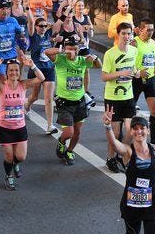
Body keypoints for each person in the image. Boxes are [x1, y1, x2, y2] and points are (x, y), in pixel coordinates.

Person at [102, 111, 155, 234]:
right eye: (135, 129)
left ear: (148, 130)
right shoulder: (128, 151)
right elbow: (115, 145)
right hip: (132, 204)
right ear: (131, 131)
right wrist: (108, 126)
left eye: (142, 128)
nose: (139, 131)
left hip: (154, 202)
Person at [0, 57, 45, 190]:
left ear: (19, 72)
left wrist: (32, 65)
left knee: (20, 157)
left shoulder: (23, 85)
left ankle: (16, 164)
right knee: (9, 156)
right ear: (7, 72)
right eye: (11, 70)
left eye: (16, 70)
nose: (13, 73)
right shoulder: (1, 85)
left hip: (20, 127)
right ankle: (9, 175)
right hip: (4, 128)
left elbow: (41, 78)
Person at [47, 34, 101, 165]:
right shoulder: (60, 60)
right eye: (70, 49)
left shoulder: (82, 61)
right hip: (65, 103)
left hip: (80, 102)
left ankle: (70, 151)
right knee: (69, 132)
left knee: (77, 132)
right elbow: (47, 52)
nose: (73, 52)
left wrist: (95, 57)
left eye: (76, 49)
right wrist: (63, 51)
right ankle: (61, 141)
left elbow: (99, 65)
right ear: (66, 48)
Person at [102, 22, 139, 173]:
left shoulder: (134, 51)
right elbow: (104, 77)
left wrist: (136, 74)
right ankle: (111, 158)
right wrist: (120, 73)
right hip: (113, 98)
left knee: (132, 131)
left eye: (128, 33)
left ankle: (122, 153)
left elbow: (134, 69)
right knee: (115, 133)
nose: (126, 36)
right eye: (123, 33)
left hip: (128, 96)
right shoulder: (110, 53)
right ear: (118, 35)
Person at [24, 16, 58, 134]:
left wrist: (68, 6)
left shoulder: (49, 35)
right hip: (36, 70)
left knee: (48, 98)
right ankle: (27, 105)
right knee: (35, 96)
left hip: (49, 69)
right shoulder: (33, 37)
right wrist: (27, 8)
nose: (43, 28)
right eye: (41, 26)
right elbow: (31, 22)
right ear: (36, 27)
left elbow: (59, 22)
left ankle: (50, 125)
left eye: (45, 25)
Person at [133, 19, 155, 144]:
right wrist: (137, 73)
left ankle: (154, 140)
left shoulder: (153, 43)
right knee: (129, 110)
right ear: (140, 30)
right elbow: (128, 62)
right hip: (136, 80)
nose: (151, 32)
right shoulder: (134, 43)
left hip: (150, 79)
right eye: (148, 30)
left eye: (152, 30)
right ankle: (123, 134)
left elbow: (151, 59)